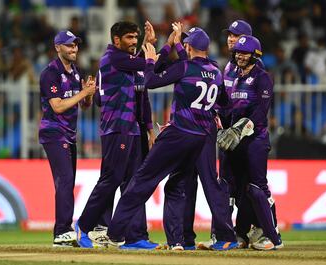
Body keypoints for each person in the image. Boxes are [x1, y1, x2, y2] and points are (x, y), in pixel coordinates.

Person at [89, 26, 237, 251]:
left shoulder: (184, 66)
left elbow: (150, 81)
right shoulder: (215, 71)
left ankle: (116, 233)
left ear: (188, 47)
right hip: (202, 137)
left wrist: (150, 60)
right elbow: (225, 103)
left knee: (142, 179)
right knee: (180, 185)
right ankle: (191, 240)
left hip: (178, 134)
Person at [75, 21, 172, 250]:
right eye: (129, 37)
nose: (133, 41)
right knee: (111, 179)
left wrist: (149, 129)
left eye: (136, 37)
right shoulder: (112, 58)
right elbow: (152, 64)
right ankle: (83, 225)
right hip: (117, 128)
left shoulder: (130, 65)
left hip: (133, 130)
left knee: (134, 184)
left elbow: (143, 92)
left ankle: (135, 236)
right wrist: (167, 45)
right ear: (116, 40)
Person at [217, 35, 284, 250]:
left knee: (256, 188)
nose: (240, 56)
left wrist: (239, 129)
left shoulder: (262, 77)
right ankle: (239, 234)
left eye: (244, 53)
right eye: (237, 52)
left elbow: (261, 112)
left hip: (255, 140)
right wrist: (221, 122)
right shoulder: (233, 75)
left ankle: (272, 237)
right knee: (233, 190)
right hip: (234, 141)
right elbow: (227, 105)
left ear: (255, 55)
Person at [39, 30, 96, 247]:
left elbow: (84, 104)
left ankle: (64, 230)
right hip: (53, 132)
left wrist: (88, 94)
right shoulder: (50, 73)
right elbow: (58, 106)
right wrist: (82, 94)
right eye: (69, 45)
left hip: (69, 134)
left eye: (76, 45)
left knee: (68, 181)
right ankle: (61, 231)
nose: (74, 49)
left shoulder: (76, 72)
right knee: (64, 180)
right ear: (57, 48)